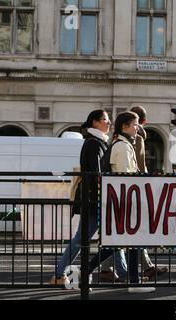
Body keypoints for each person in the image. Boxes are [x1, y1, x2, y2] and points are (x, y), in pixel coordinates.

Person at [49, 110, 127, 285]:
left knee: (113, 236)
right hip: (95, 200)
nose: (109, 123)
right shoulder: (94, 143)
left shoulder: (99, 142)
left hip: (98, 198)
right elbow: (97, 173)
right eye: (105, 120)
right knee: (85, 239)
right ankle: (59, 274)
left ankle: (124, 274)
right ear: (95, 123)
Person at [99, 106, 168, 280]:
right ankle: (132, 274)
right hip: (128, 195)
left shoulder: (122, 141)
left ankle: (126, 273)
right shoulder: (129, 143)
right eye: (135, 124)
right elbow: (132, 170)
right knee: (128, 234)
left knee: (121, 236)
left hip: (125, 194)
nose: (137, 128)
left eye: (138, 124)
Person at [108, 111, 143, 284]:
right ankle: (133, 280)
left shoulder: (125, 145)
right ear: (124, 127)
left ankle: (133, 279)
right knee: (125, 241)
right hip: (124, 200)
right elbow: (125, 177)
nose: (138, 128)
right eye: (135, 125)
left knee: (122, 242)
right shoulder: (121, 147)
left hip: (125, 200)